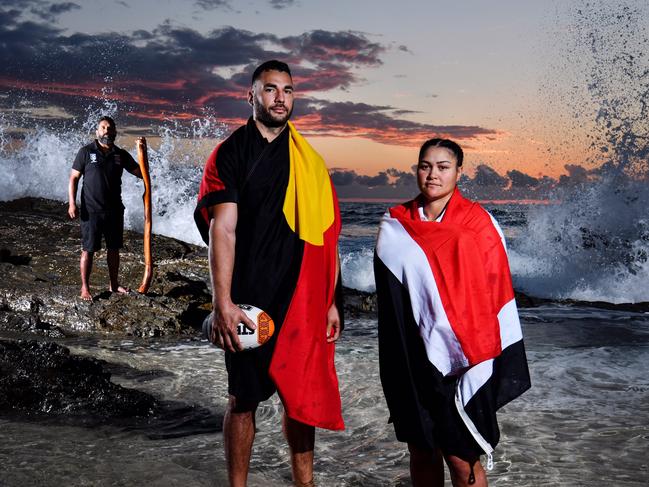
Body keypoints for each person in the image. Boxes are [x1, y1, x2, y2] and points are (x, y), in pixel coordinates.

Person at [194, 60, 344, 487]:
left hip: (301, 296)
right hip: (249, 298)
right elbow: (222, 228)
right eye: (271, 89)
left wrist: (333, 300)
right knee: (242, 400)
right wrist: (222, 303)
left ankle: (304, 483)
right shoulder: (231, 153)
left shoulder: (309, 161)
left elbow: (326, 236)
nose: (281, 98)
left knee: (300, 397)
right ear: (252, 96)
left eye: (288, 90)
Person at [374, 138, 531, 487]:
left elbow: (495, 293)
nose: (433, 175)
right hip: (411, 357)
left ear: (459, 172)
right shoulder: (395, 224)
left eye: (443, 167)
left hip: (465, 360)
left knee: (462, 460)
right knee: (421, 450)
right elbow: (393, 300)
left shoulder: (480, 224)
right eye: (425, 166)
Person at [68, 116, 142, 301]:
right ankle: (85, 288)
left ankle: (114, 284)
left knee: (114, 249)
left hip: (114, 210)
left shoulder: (120, 154)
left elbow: (141, 173)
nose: (106, 131)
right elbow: (74, 179)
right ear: (97, 131)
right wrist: (72, 203)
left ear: (115, 132)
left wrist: (142, 151)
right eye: (103, 128)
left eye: (109, 128)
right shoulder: (86, 152)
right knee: (88, 249)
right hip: (90, 211)